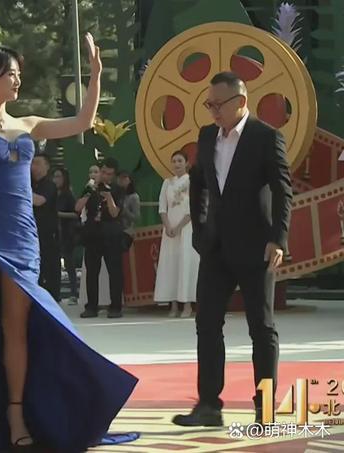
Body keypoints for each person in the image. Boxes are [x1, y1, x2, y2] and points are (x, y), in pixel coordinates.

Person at [0, 35, 138, 453]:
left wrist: (96, 74)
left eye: (19, 74)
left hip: (23, 237)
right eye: (11, 74)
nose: (18, 81)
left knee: (16, 328)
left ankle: (16, 414)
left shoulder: (29, 124)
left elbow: (83, 121)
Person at [173, 71, 292, 427]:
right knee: (207, 324)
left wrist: (278, 238)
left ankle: (265, 408)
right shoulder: (207, 136)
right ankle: (209, 405)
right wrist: (199, 229)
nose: (212, 111)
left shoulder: (266, 137)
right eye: (208, 104)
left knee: (261, 328)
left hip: (257, 248)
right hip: (215, 248)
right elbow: (198, 183)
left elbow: (283, 190)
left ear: (240, 101)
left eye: (218, 104)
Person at [76, 157, 126, 319]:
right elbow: (77, 207)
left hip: (111, 233)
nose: (105, 176)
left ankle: (116, 306)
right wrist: (88, 192)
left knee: (115, 271)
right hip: (92, 233)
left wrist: (109, 197)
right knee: (92, 271)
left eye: (109, 174)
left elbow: (115, 213)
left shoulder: (118, 189)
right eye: (103, 172)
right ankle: (91, 306)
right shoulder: (90, 187)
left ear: (114, 175)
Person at [153, 151, 198, 318]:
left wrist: (179, 227)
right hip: (169, 230)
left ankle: (187, 305)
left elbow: (193, 208)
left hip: (186, 228)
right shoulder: (167, 183)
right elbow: (162, 207)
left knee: (185, 263)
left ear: (186, 163)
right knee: (171, 264)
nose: (176, 164)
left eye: (180, 161)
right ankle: (173, 304)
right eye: (174, 161)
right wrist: (168, 226)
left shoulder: (192, 181)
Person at [31, 153, 61, 301]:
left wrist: (21, 189)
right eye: (32, 163)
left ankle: (53, 298)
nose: (34, 167)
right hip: (32, 233)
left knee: (50, 267)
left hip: (48, 234)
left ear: (47, 166)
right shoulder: (30, 183)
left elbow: (39, 201)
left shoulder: (49, 185)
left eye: (38, 163)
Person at [52, 167, 79, 303]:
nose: (56, 180)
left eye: (59, 177)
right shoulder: (52, 194)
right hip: (54, 232)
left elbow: (76, 214)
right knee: (54, 264)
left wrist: (59, 214)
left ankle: (74, 292)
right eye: (54, 177)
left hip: (67, 232)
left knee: (69, 263)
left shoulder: (68, 195)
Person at [118, 170, 141, 250]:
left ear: (130, 180)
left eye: (124, 177)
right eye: (120, 178)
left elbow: (136, 217)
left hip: (127, 232)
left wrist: (125, 210)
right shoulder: (117, 194)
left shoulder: (134, 197)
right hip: (116, 230)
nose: (122, 180)